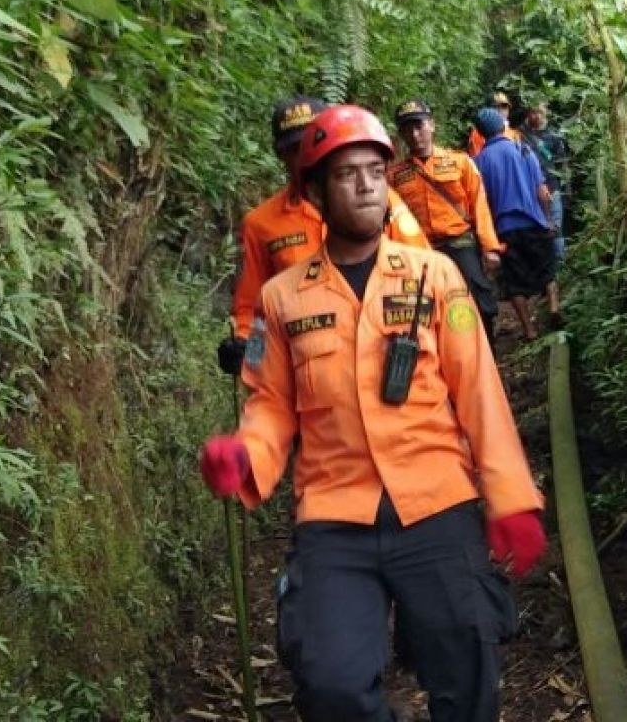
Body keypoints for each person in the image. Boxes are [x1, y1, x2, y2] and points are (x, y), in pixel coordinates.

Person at [199, 105, 547, 722]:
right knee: (330, 686)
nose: (364, 184)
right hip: (336, 514)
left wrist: (511, 497)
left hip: (436, 502)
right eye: (345, 175)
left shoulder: (434, 276)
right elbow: (273, 404)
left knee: (469, 674)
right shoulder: (284, 298)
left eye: (373, 171)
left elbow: (480, 395)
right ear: (313, 192)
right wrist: (246, 453)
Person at [217, 96, 429, 376]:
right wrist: (244, 345)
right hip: (307, 362)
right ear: (281, 155)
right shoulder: (262, 224)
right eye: (294, 148)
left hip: (384, 352)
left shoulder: (374, 203)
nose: (304, 155)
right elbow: (252, 307)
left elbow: (425, 271)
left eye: (310, 143)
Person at [388, 98, 503, 340]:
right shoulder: (395, 176)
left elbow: (479, 203)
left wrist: (490, 248)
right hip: (420, 251)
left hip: (459, 243)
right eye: (407, 129)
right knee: (424, 310)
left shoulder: (459, 162)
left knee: (479, 303)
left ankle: (488, 356)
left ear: (432, 125)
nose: (415, 134)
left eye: (419, 126)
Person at [472, 107, 561, 340]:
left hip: (504, 228)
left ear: (481, 134)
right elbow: (542, 191)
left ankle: (529, 330)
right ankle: (553, 306)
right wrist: (549, 219)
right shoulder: (522, 149)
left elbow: (480, 202)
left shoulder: (478, 162)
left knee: (515, 282)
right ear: (502, 126)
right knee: (547, 267)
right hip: (534, 220)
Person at [520, 102, 572, 258]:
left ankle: (560, 267)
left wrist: (567, 188)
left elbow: (563, 164)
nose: (537, 116)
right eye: (533, 112)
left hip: (552, 188)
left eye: (540, 112)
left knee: (556, 230)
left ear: (546, 113)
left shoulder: (554, 136)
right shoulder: (520, 135)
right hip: (530, 191)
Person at [466, 91, 523, 157]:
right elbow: (477, 161)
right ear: (489, 109)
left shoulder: (515, 134)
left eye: (505, 106)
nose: (501, 110)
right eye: (497, 107)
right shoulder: (479, 133)